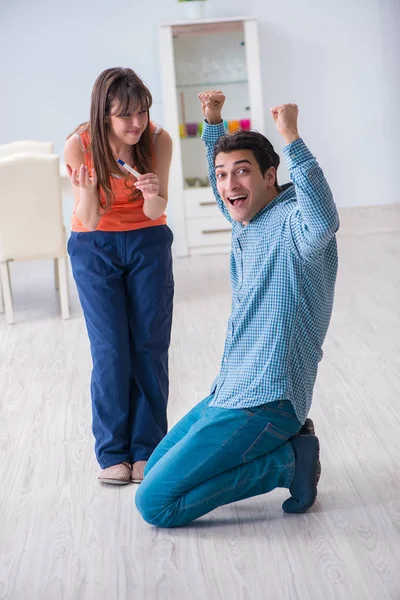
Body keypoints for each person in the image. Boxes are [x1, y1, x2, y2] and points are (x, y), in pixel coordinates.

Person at [135, 89, 339, 527]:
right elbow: (221, 181)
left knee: (155, 505)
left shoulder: (298, 227)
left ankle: (287, 463)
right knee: (155, 473)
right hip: (230, 389)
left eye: (242, 173)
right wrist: (213, 122)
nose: (229, 185)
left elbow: (325, 219)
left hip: (268, 399)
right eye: (223, 175)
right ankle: (283, 453)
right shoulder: (247, 219)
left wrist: (292, 137)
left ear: (270, 176)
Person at [65, 67, 174, 485]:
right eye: (125, 115)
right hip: (95, 248)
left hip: (148, 240)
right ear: (104, 113)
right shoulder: (79, 146)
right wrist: (89, 190)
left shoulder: (158, 140)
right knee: (111, 350)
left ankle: (148, 449)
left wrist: (152, 193)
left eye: (142, 112)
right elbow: (89, 220)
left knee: (149, 343)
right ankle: (113, 453)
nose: (136, 124)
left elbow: (154, 212)